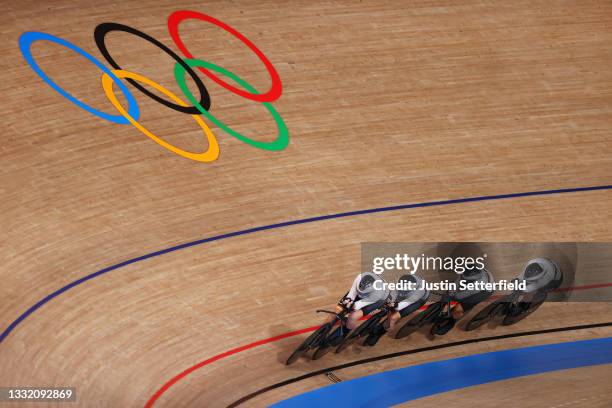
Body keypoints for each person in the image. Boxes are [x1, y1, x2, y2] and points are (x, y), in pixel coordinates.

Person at [323, 271, 390, 348]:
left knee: (353, 316)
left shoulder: (378, 293)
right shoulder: (360, 277)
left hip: (375, 300)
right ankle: (321, 333)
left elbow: (359, 305)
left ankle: (346, 331)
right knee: (337, 310)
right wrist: (347, 301)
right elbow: (352, 293)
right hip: (363, 293)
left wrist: (352, 306)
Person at [364, 273, 430, 346]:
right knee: (388, 304)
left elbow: (403, 305)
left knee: (393, 317)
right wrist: (388, 302)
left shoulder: (418, 293)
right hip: (406, 292)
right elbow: (393, 294)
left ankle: (379, 333)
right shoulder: (402, 280)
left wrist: (394, 306)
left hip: (418, 300)